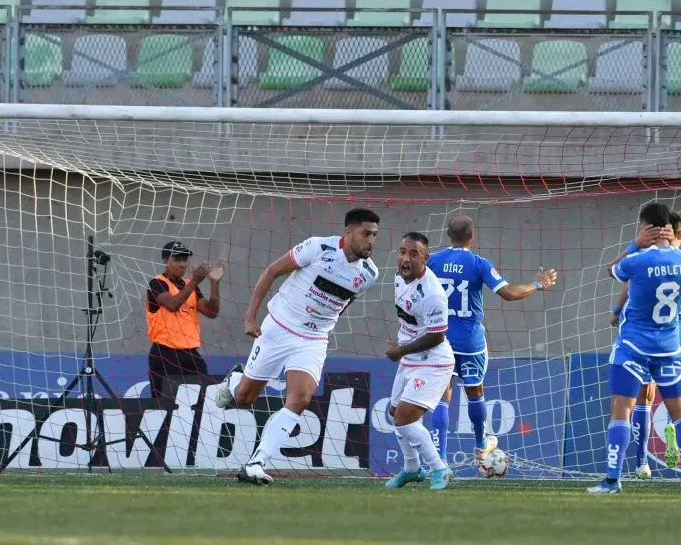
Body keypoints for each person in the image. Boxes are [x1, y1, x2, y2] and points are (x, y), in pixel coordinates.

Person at [214, 208, 381, 486]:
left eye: (375, 235)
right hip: (279, 327)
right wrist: (250, 316)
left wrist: (321, 322)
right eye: (366, 234)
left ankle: (256, 462)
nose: (371, 241)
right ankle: (235, 381)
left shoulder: (369, 273)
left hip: (313, 340)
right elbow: (272, 271)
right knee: (245, 398)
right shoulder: (317, 248)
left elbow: (344, 301)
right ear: (349, 232)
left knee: (301, 398)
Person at [589, 203, 681, 495]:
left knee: (622, 409)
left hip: (634, 346)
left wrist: (635, 243)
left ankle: (612, 480)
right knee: (680, 411)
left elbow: (612, 270)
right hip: (671, 347)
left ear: (646, 227)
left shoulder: (637, 261)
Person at [426, 215, 557, 464]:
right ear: (471, 237)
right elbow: (508, 293)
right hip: (470, 342)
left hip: (440, 339)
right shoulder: (479, 264)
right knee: (475, 391)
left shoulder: (432, 261)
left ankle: (439, 460)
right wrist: (537, 284)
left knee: (442, 395)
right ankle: (480, 444)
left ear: (447, 234)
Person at [609, 211, 681, 477]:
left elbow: (621, 276)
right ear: (679, 234)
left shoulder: (644, 259)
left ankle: (638, 463)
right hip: (676, 341)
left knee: (635, 398)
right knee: (672, 400)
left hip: (644, 338)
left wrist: (617, 310)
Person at [384, 232, 455, 491]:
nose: (406, 259)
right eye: (403, 252)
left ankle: (440, 468)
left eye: (414, 254)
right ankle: (412, 469)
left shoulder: (433, 293)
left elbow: (437, 335)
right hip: (410, 357)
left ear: (425, 258)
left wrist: (401, 350)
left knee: (404, 419)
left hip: (434, 361)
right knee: (394, 414)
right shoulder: (398, 278)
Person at [145, 241, 221, 398]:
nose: (182, 264)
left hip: (191, 354)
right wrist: (194, 281)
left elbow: (211, 312)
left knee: (201, 402)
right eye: (177, 260)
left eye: (184, 260)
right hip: (165, 354)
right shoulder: (157, 283)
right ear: (166, 261)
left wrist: (214, 283)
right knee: (164, 405)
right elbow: (172, 305)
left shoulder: (190, 285)